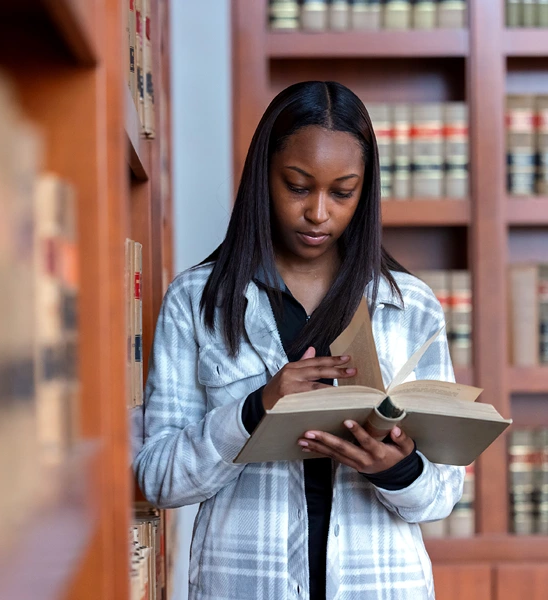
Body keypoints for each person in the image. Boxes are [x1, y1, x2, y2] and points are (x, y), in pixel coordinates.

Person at [132, 81, 464, 600]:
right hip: (241, 585)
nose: (318, 213)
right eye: (298, 186)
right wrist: (255, 409)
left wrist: (398, 468)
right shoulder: (197, 301)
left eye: (342, 192)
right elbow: (158, 478)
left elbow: (443, 494)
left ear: (365, 191)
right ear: (264, 177)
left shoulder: (410, 306)